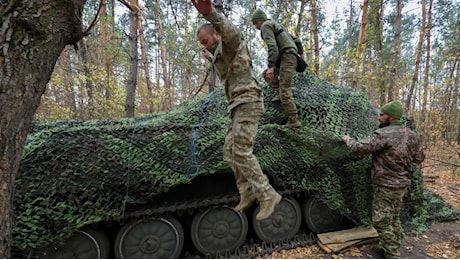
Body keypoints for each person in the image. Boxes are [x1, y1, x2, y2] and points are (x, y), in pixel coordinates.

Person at [191, 0, 282, 221]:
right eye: (202, 44)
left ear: (216, 35)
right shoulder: (221, 54)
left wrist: (210, 13)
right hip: (237, 105)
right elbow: (228, 69)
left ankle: (267, 194)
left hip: (248, 101)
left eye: (206, 41)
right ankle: (247, 191)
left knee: (241, 151)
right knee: (229, 151)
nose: (205, 46)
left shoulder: (229, 42)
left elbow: (229, 31)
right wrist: (211, 58)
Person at [341, 100, 425, 258]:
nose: (379, 117)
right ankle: (392, 246)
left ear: (392, 117)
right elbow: (419, 158)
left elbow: (361, 149)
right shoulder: (413, 136)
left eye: (382, 114)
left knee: (381, 220)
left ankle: (392, 254)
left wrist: (348, 140)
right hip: (401, 185)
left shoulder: (383, 134)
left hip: (386, 185)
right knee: (393, 217)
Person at [251, 8, 303, 128]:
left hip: (287, 57)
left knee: (285, 88)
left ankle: (293, 120)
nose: (255, 26)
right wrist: (301, 54)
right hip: (290, 57)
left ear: (260, 20)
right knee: (267, 75)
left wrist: (271, 66)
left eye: (255, 23)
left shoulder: (265, 26)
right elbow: (297, 40)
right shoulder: (277, 26)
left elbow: (272, 46)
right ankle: (279, 93)